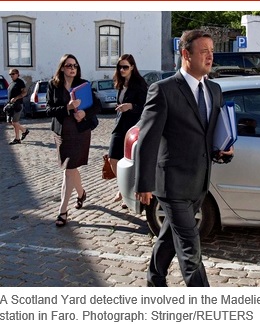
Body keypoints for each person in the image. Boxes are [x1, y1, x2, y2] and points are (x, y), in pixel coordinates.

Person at [135, 29, 234, 287]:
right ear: (185, 54)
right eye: (204, 51)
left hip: (200, 183)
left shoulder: (214, 90)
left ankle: (155, 279)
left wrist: (222, 152)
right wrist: (144, 184)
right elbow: (148, 140)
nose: (210, 57)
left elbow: (209, 136)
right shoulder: (163, 90)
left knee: (170, 236)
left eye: (212, 51)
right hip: (172, 184)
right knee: (191, 250)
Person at [46, 54, 101, 227]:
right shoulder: (53, 85)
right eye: (69, 65)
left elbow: (97, 105)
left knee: (69, 169)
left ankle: (63, 211)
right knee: (71, 168)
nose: (72, 68)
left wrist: (85, 113)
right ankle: (81, 193)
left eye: (75, 65)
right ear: (62, 67)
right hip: (62, 133)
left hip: (80, 132)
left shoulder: (83, 84)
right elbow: (49, 110)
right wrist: (68, 108)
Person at [108, 54, 148, 208]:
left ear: (132, 67)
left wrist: (130, 106)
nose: (122, 69)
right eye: (120, 67)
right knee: (113, 158)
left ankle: (127, 195)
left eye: (125, 67)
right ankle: (122, 188)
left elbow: (145, 107)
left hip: (133, 127)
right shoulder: (120, 83)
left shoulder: (140, 84)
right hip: (120, 125)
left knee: (130, 162)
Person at [7, 68, 29, 145]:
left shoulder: (20, 82)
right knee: (10, 121)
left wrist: (16, 98)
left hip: (18, 105)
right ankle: (24, 130)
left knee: (15, 122)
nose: (11, 75)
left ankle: (17, 138)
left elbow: (25, 93)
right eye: (10, 74)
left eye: (13, 74)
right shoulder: (12, 83)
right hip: (11, 105)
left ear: (17, 74)